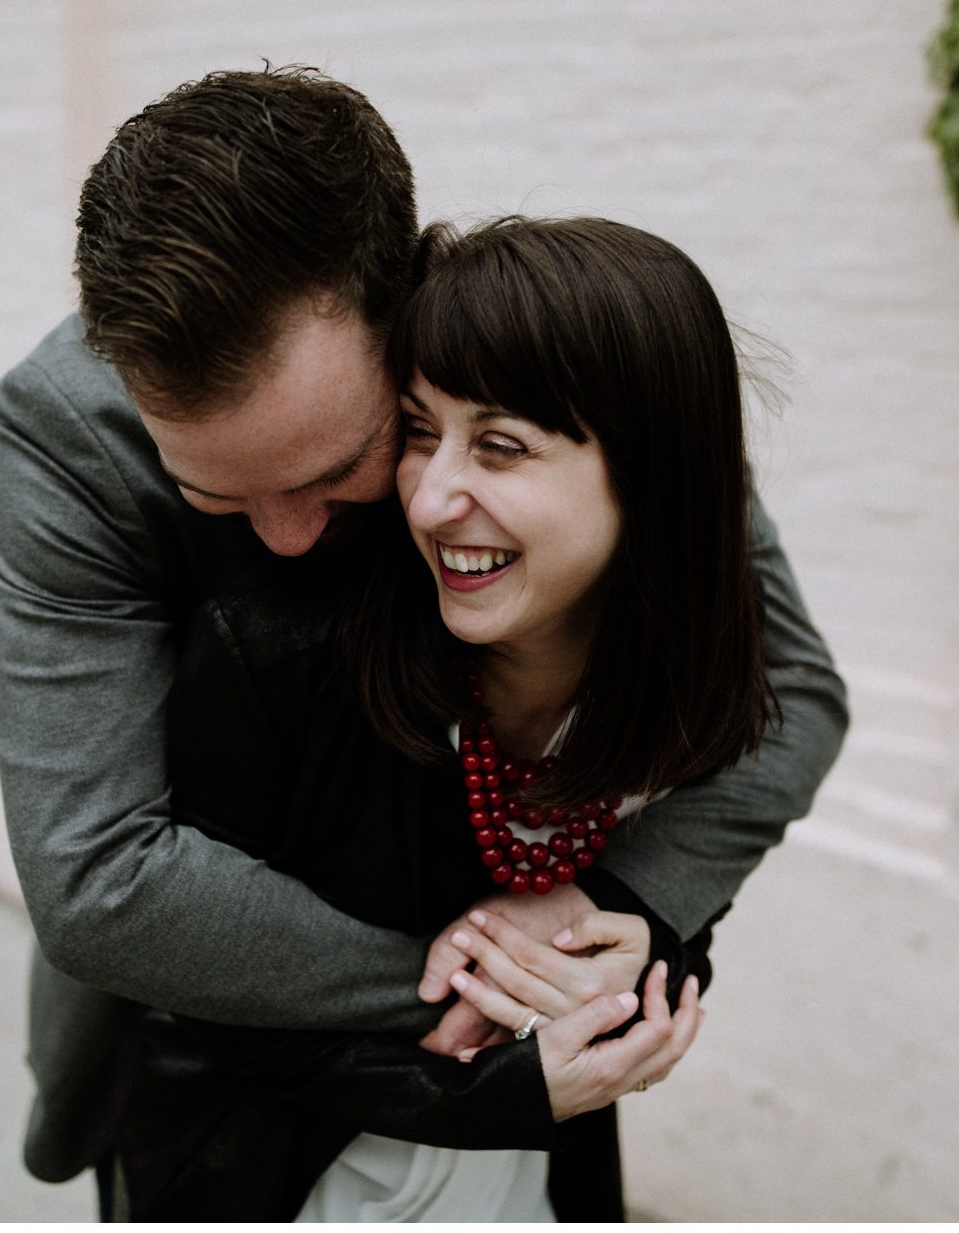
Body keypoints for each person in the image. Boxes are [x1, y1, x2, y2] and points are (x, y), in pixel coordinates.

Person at [0, 66, 849, 1213]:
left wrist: (614, 906)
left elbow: (786, 682)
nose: (288, 541)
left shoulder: (549, 365)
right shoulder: (65, 430)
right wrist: (490, 981)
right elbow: (95, 873)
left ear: (409, 305)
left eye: (335, 467)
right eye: (217, 496)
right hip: (211, 1056)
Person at [117, 215, 788, 1220]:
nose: (430, 499)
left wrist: (638, 956)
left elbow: (668, 891)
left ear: (649, 477)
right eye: (421, 429)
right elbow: (199, 996)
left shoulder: (689, 675)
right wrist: (498, 1089)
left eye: (501, 446)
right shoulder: (282, 659)